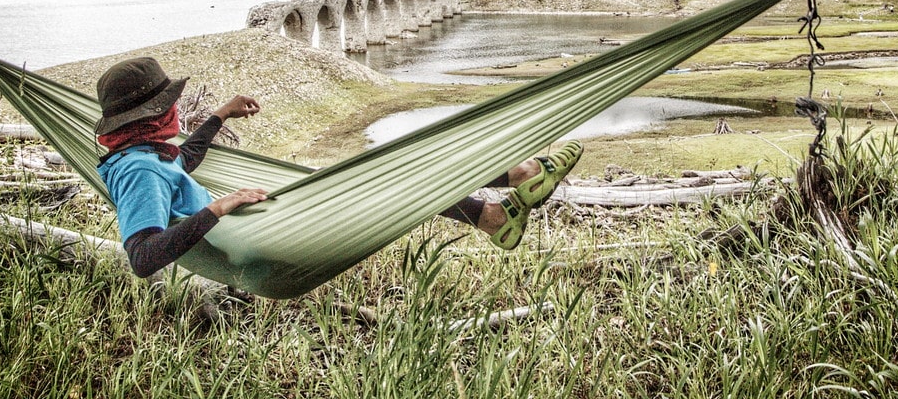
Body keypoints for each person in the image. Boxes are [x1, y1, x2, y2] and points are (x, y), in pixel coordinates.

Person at [95, 56, 583, 278]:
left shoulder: (136, 154)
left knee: (385, 175)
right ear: (155, 116)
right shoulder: (140, 173)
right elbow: (142, 258)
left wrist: (219, 115)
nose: (176, 111)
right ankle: (511, 188)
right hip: (248, 242)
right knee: (386, 176)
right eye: (170, 105)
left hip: (243, 228)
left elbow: (182, 161)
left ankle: (497, 209)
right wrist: (218, 208)